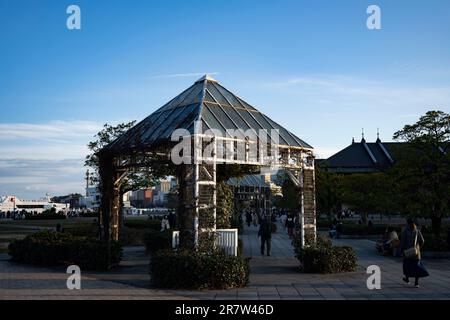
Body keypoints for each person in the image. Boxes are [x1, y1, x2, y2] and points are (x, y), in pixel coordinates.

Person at [400, 218, 429, 288]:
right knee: (416, 268)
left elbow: (402, 243)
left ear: (408, 224)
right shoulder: (417, 231)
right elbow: (422, 241)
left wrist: (402, 251)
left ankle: (407, 278)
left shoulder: (405, 231)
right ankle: (416, 283)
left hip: (408, 252)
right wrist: (418, 248)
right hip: (416, 253)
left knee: (407, 266)